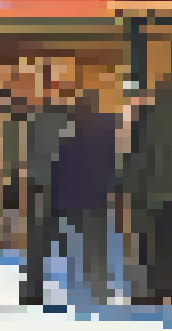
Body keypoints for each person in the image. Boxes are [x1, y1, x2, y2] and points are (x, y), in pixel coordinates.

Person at [119, 76, 172, 306]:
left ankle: (147, 291)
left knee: (146, 243)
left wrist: (128, 189)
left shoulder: (146, 118)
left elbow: (136, 157)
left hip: (148, 193)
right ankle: (170, 290)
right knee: (169, 244)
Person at [51, 87, 120, 306]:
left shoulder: (67, 130)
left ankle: (78, 288)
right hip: (98, 195)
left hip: (74, 197)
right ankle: (99, 289)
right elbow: (114, 162)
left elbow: (59, 166)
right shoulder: (107, 129)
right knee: (98, 245)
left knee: (75, 245)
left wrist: (56, 199)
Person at [17, 70, 71, 307]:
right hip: (53, 184)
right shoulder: (63, 120)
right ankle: (38, 288)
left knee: (37, 240)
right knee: (48, 238)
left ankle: (33, 288)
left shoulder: (34, 118)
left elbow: (24, 155)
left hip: (39, 184)